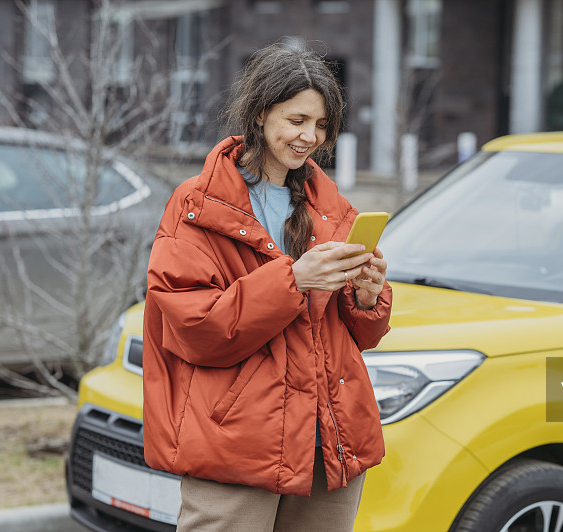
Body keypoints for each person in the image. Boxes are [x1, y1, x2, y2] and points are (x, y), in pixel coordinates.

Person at [141, 42, 392, 532]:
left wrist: (366, 297)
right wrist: (293, 280)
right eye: (296, 120)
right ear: (259, 114)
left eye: (321, 125)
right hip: (237, 439)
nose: (309, 137)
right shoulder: (197, 204)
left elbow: (356, 336)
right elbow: (195, 326)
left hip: (328, 436)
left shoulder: (331, 206)